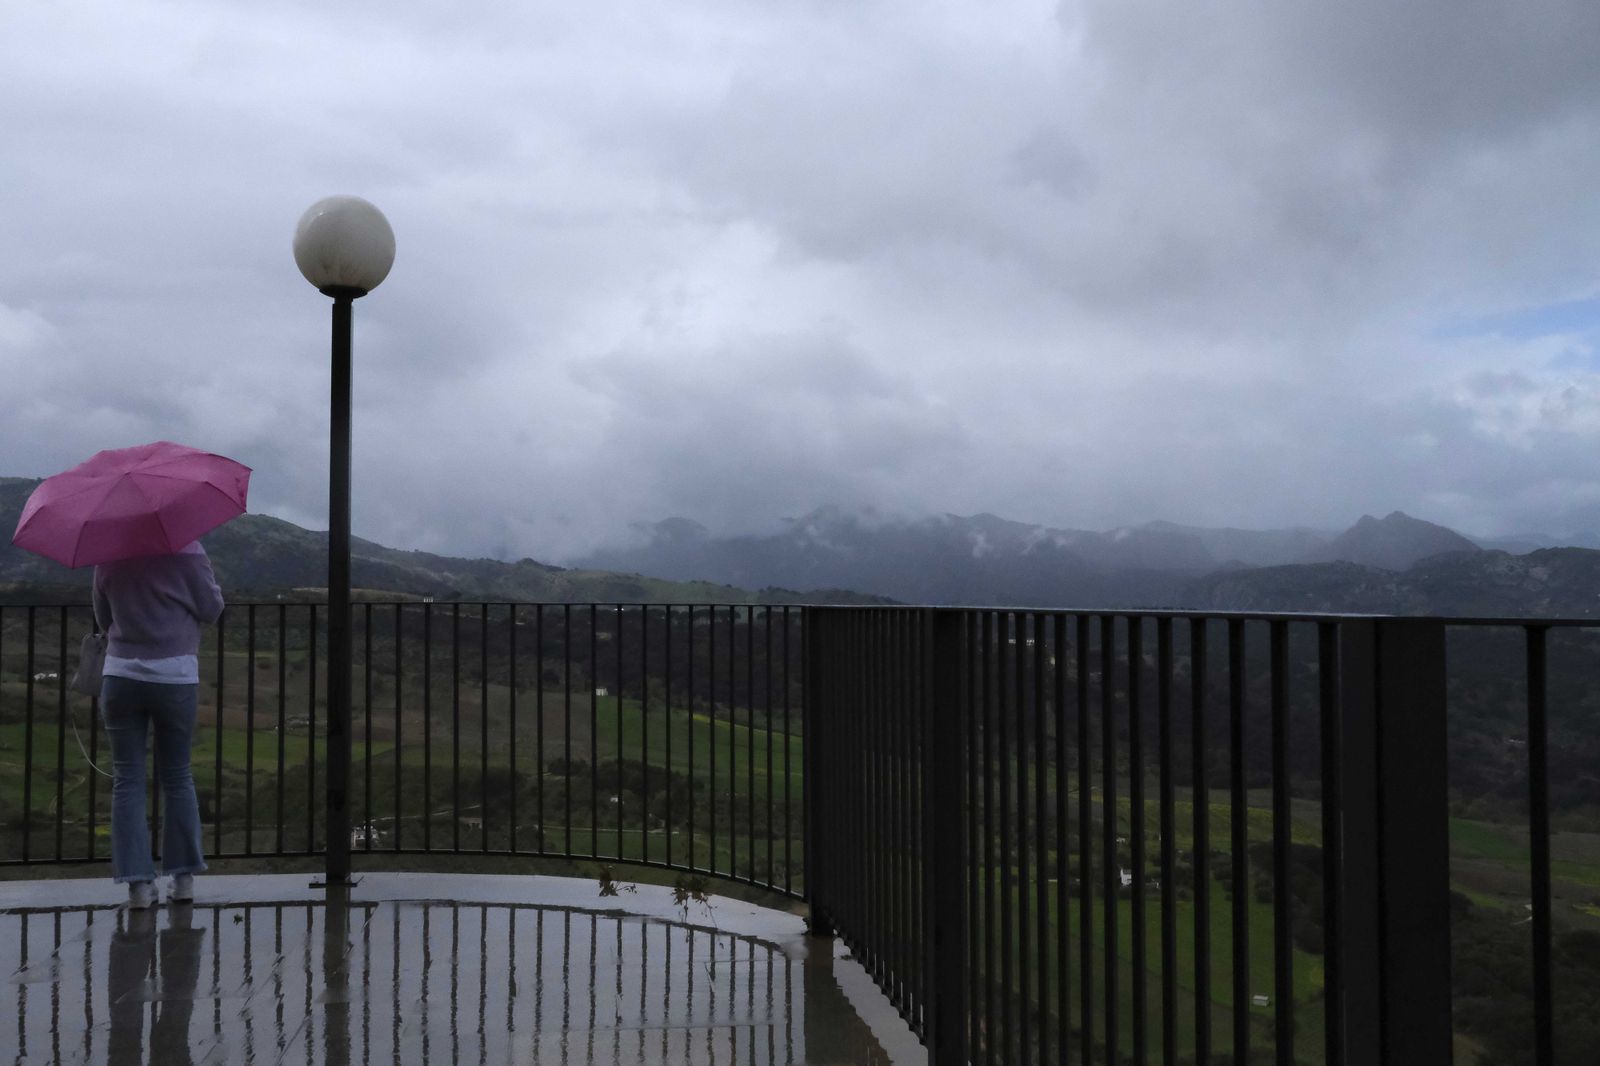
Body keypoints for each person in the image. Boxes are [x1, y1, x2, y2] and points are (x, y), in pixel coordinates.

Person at [93, 541, 224, 909]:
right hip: (175, 676)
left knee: (127, 778)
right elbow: (212, 609)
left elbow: (104, 618)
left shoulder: (109, 551)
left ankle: (137, 886)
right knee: (177, 775)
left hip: (120, 675)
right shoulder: (190, 549)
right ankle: (182, 880)